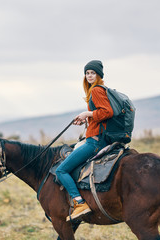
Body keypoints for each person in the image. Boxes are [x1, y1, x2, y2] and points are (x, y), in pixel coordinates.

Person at [56, 60, 114, 221]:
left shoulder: (96, 90)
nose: (89, 75)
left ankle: (80, 203)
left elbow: (107, 112)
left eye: (92, 73)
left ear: (99, 75)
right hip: (99, 138)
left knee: (61, 170)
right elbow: (100, 116)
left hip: (94, 142)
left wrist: (87, 114)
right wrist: (86, 120)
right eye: (87, 73)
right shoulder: (99, 90)